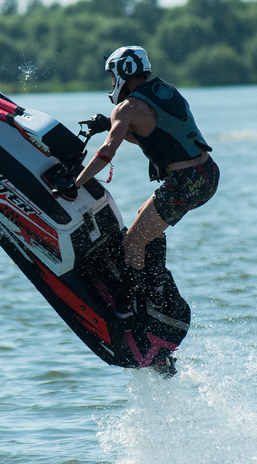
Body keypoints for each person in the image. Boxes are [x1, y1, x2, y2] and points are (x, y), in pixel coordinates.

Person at [63, 46, 220, 330]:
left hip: (184, 182)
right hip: (207, 173)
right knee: (146, 222)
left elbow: (107, 151)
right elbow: (156, 134)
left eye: (113, 76)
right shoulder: (165, 90)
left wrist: (76, 183)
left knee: (133, 241)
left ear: (123, 73)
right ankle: (157, 289)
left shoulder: (127, 107)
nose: (112, 84)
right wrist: (112, 125)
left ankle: (125, 313)